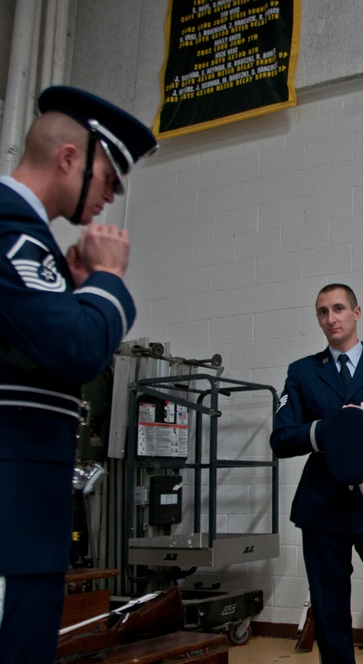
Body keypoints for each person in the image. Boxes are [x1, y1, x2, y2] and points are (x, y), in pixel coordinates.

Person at [0, 85, 157, 663]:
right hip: (12, 511)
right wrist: (108, 279)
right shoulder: (12, 227)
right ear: (69, 157)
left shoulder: (27, 237)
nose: (109, 198)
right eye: (108, 179)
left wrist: (70, 291)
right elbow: (75, 350)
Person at [270, 284, 363, 664]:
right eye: (322, 312)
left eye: (338, 308)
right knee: (329, 607)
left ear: (357, 312)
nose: (331, 318)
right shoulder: (302, 372)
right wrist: (327, 431)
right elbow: (281, 438)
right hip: (323, 505)